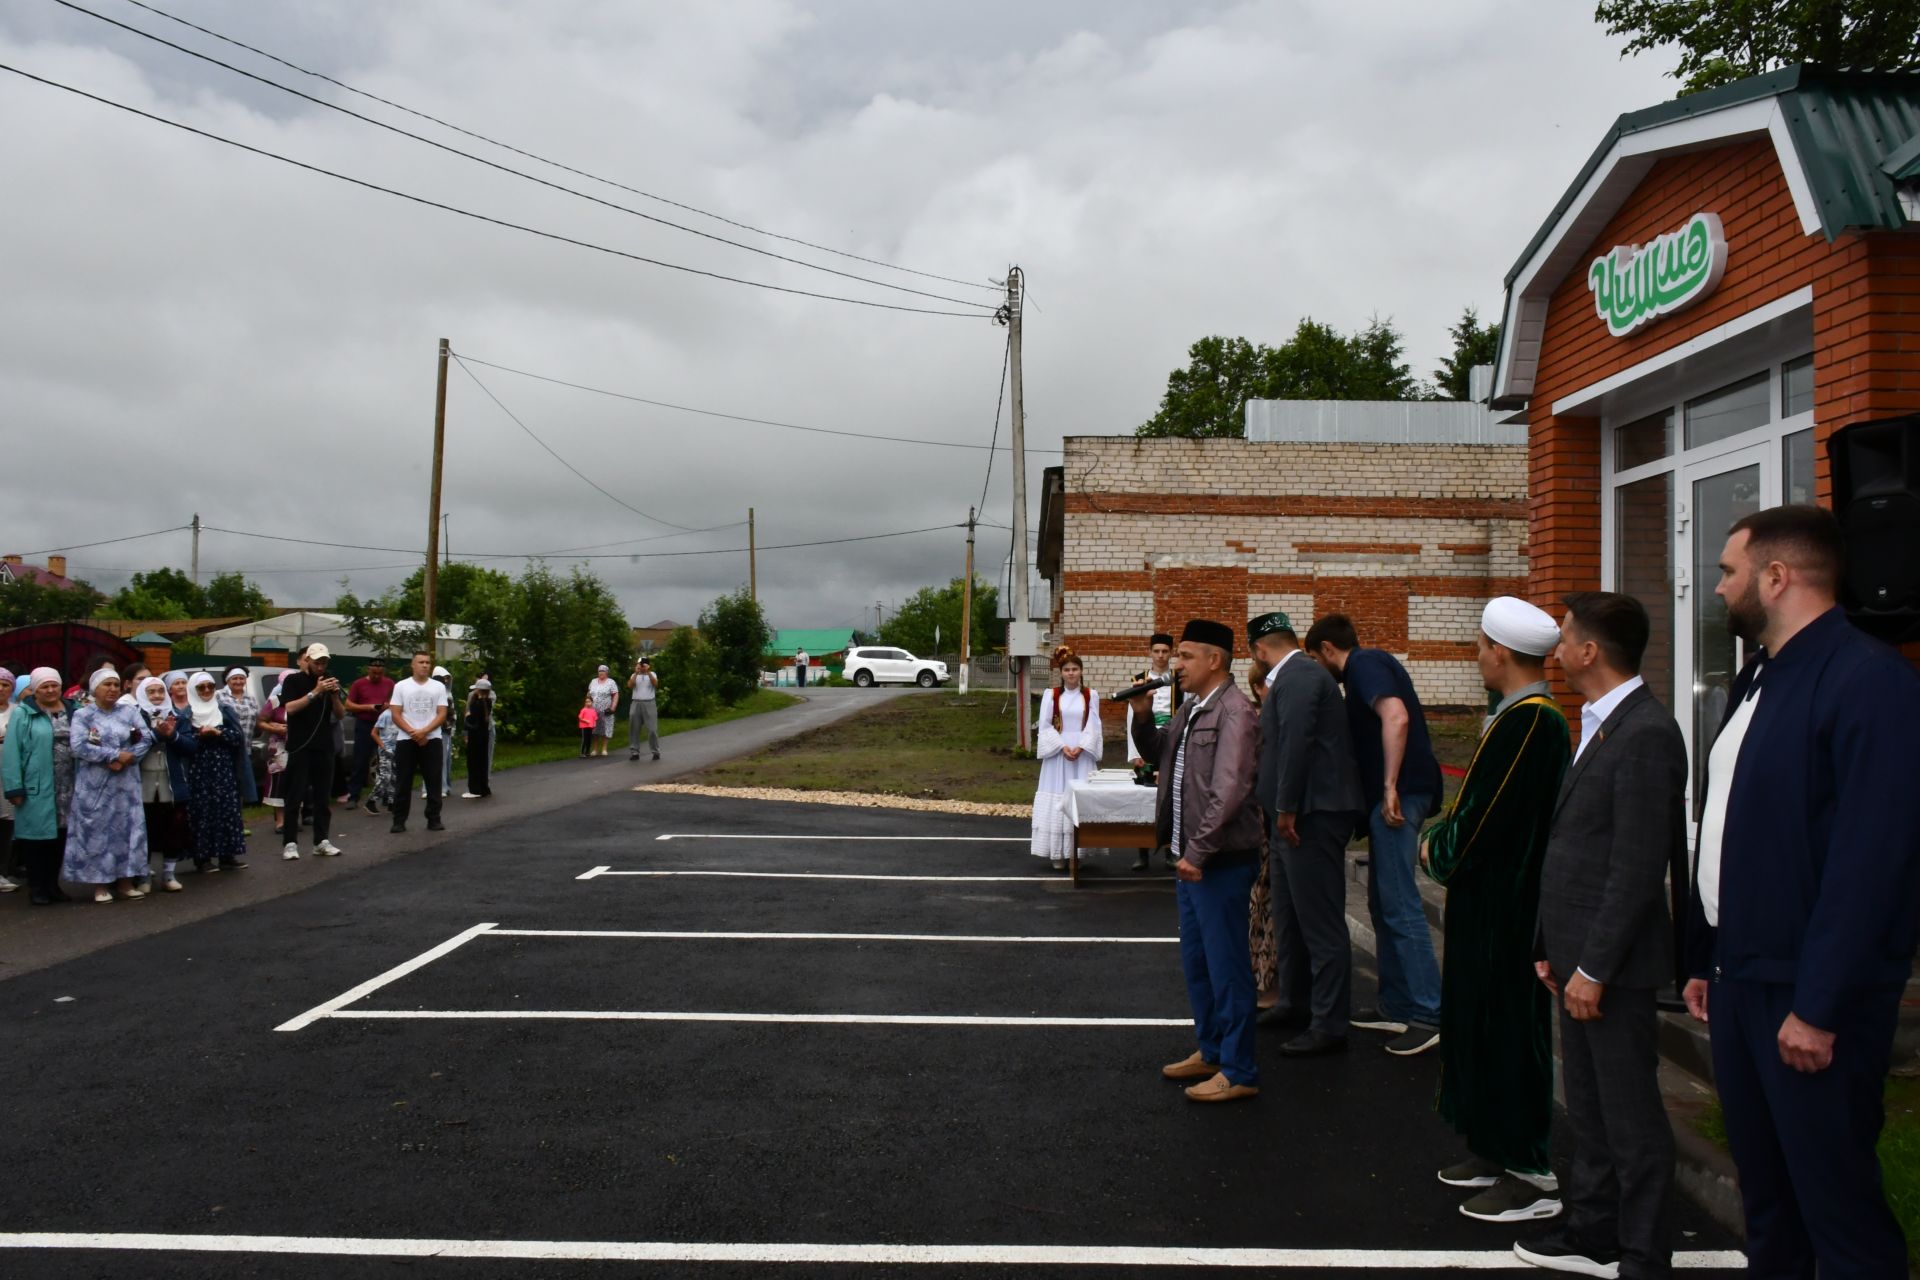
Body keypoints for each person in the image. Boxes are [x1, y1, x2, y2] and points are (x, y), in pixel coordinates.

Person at [1683, 505, 1920, 1277]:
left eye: (1728, 572)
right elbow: (1738, 829)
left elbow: (1872, 864)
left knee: (1837, 1207)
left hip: (1809, 997)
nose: (1718, 590)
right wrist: (1706, 956)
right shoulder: (1759, 678)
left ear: (1777, 577)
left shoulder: (1869, 681)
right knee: (1771, 1202)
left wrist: (1817, 1007)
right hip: (1740, 978)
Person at [1511, 592, 1687, 1278]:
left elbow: (1637, 868)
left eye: (1564, 639)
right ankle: (1594, 1229)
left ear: (1590, 652)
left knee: (1629, 1117)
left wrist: (1595, 968)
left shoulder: (1644, 732)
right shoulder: (1598, 722)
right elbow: (1577, 849)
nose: (1555, 651)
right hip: (1578, 959)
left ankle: (1642, 1254)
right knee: (1587, 1106)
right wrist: (1551, 947)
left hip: (1611, 969)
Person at [1421, 597, 1571, 1224]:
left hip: (1509, 911)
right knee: (1479, 1027)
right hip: (1490, 907)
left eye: (1480, 647)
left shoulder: (1531, 722)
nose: (1477, 658)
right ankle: (1491, 1147)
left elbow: (1478, 822)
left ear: (1501, 652)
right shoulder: (1513, 715)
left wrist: (1435, 848)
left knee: (1509, 1032)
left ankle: (1530, 1172)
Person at [1123, 619, 1264, 1103]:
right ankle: (1211, 1050)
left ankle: (1241, 1069)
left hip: (1219, 859)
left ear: (1214, 661)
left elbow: (1229, 790)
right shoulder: (1191, 709)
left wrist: (1198, 852)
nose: (1175, 665)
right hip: (1191, 857)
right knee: (1198, 962)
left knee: (1227, 965)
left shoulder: (1236, 713)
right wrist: (1143, 714)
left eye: (1184, 656)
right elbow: (1158, 754)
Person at [1302, 612, 1446, 1055]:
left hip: (1399, 798)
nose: (1313, 668)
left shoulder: (1364, 665)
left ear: (1328, 649)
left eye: (1313, 658)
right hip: (1397, 797)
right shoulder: (1369, 668)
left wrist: (1388, 787)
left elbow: (1396, 718)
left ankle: (1429, 1013)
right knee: (1383, 902)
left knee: (1400, 903)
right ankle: (1398, 1006)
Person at [1250, 611, 1365, 1057]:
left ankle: (1329, 1022)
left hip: (1308, 816)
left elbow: (1295, 744)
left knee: (1319, 921)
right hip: (1297, 815)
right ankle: (1295, 1003)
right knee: (1290, 917)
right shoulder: (1298, 675)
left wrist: (1285, 808)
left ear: (1260, 651)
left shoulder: (1297, 676)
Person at [63, 668, 152, 903]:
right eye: (107, 685)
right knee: (98, 832)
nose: (112, 689)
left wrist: (129, 757)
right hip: (96, 785)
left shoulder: (129, 711)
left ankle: (125, 882)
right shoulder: (84, 715)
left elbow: (146, 738)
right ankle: (99, 884)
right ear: (95, 689)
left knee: (127, 829)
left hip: (126, 783)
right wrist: (112, 755)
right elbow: (79, 746)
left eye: (115, 685)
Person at [2, 667, 74, 905]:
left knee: (60, 836)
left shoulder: (74, 710)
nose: (51, 690)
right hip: (37, 784)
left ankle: (53, 884)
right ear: (34, 689)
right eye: (45, 686)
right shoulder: (24, 713)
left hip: (68, 784)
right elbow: (12, 751)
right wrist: (14, 787)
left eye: (55, 685)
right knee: (36, 839)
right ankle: (37, 886)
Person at [1029, 646, 1102, 872]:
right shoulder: (1052, 695)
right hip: (1058, 756)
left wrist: (1081, 747)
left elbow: (1094, 725)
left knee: (1080, 799)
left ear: (1081, 671)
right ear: (1061, 672)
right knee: (1059, 797)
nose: (1071, 673)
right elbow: (1045, 725)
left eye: (1075, 669)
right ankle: (1057, 853)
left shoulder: (1091, 695)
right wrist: (1062, 747)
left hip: (1081, 755)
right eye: (1067, 669)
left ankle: (1077, 852)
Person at [278, 644, 345, 861]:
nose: (320, 666)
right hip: (300, 746)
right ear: (307, 660)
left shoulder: (329, 680)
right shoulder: (293, 681)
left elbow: (341, 715)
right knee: (295, 796)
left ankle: (321, 840)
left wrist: (334, 695)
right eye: (317, 662)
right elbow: (290, 708)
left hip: (323, 745)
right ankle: (289, 842)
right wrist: (315, 692)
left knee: (322, 797)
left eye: (324, 662)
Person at [178, 672, 249, 874]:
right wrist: (199, 736)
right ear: (193, 690)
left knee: (226, 809)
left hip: (223, 769)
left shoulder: (223, 710)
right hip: (199, 771)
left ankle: (228, 855)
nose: (207, 691)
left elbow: (237, 738)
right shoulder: (187, 715)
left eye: (210, 686)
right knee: (202, 812)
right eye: (202, 688)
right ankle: (203, 858)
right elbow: (182, 743)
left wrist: (220, 733)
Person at [1124, 632, 1183, 871]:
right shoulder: (1139, 680)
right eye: (1156, 651)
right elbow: (1131, 718)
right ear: (1150, 652)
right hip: (1145, 746)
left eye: (1165, 651)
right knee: (1143, 799)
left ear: (1171, 653)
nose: (1160, 655)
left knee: (1170, 797)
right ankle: (1142, 852)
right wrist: (1134, 753)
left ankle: (1170, 850)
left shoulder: (1179, 680)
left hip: (1170, 746)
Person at [131, 676, 192, 890]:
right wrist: (155, 735)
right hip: (143, 779)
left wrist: (173, 735)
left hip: (170, 780)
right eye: (151, 692)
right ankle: (144, 875)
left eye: (160, 691)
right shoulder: (135, 716)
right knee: (145, 828)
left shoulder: (176, 716)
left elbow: (191, 747)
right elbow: (131, 747)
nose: (157, 696)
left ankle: (168, 874)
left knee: (173, 827)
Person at [388, 650, 450, 834]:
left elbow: (442, 713)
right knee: (403, 781)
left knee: (433, 781)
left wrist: (424, 731)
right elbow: (395, 713)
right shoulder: (401, 686)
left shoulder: (438, 687)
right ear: (413, 665)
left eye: (427, 662)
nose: (424, 665)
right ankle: (399, 820)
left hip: (432, 739)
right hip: (407, 739)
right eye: (421, 662)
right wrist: (413, 732)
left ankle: (434, 818)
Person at [343, 657, 394, 808]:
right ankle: (354, 796)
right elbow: (348, 705)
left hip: (384, 726)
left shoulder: (390, 683)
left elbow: (396, 701)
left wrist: (386, 706)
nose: (377, 675)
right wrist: (368, 707)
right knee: (360, 761)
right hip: (365, 724)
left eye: (380, 673)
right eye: (374, 672)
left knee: (385, 761)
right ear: (368, 670)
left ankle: (387, 795)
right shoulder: (359, 684)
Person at [216, 667, 260, 808]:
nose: (238, 681)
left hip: (245, 748)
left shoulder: (251, 698)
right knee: (225, 785)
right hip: (225, 748)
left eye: (241, 678)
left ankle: (238, 821)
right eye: (234, 678)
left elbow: (258, 719)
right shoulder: (219, 696)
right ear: (227, 680)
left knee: (241, 784)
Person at [259, 673, 289, 835]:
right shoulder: (275, 700)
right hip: (279, 747)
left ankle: (292, 819)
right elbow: (261, 720)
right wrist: (274, 728)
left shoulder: (304, 699)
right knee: (279, 782)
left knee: (296, 781)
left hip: (299, 746)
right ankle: (280, 821)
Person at [462, 679, 494, 799]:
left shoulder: (476, 704)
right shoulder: (488, 702)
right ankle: (484, 787)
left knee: (473, 762)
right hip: (484, 735)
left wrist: (467, 717)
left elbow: (472, 722)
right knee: (483, 761)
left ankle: (475, 789)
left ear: (478, 690)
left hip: (475, 737)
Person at [0, 668, 17, 892]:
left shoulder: (18, 711)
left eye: (5, 684)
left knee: (6, 823)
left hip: (8, 773)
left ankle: (2, 872)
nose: (1, 688)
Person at [628, 658, 660, 761]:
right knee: (634, 728)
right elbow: (630, 685)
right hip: (636, 702)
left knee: (652, 729)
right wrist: (636, 673)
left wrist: (648, 672)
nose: (640, 667)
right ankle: (634, 752)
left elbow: (655, 684)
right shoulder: (634, 675)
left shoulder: (652, 674)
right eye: (639, 664)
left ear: (648, 665)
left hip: (649, 702)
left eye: (642, 665)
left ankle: (655, 751)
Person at [369, 704, 399, 813]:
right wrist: (383, 746)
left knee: (394, 777)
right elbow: (374, 733)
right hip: (386, 750)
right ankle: (371, 801)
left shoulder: (400, 715)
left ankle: (392, 802)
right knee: (385, 776)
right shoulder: (385, 715)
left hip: (397, 750)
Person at [586, 664, 620, 758]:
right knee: (594, 729)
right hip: (593, 710)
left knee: (606, 728)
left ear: (607, 673)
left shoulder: (611, 682)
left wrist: (613, 707)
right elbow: (589, 694)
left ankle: (604, 749)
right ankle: (595, 749)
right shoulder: (593, 681)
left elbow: (615, 695)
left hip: (606, 710)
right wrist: (586, 706)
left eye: (603, 671)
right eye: (599, 671)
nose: (601, 673)